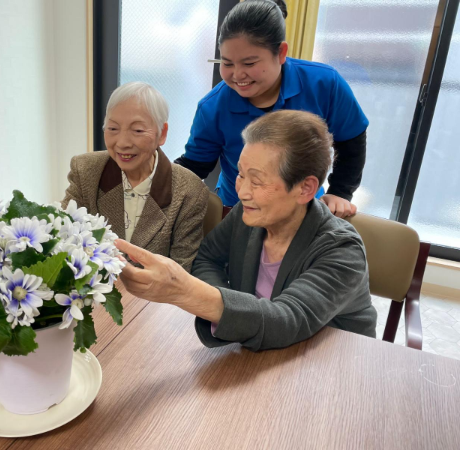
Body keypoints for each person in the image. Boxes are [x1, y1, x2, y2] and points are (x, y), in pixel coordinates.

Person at [117, 110, 377, 352]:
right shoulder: (248, 213)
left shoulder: (342, 250)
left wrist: (185, 291)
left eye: (257, 180)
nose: (242, 192)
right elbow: (208, 257)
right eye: (241, 175)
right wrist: (234, 311)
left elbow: (288, 320)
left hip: (330, 368)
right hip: (257, 353)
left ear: (306, 189)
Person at [175, 0, 368, 218]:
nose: (237, 75)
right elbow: (193, 167)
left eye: (249, 64)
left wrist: (340, 192)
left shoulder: (325, 84)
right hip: (239, 211)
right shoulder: (213, 106)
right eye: (227, 63)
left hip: (303, 211)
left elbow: (352, 142)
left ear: (281, 52)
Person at [62, 82, 209, 271]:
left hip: (154, 298)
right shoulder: (85, 170)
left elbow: (179, 273)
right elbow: (63, 236)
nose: (122, 143)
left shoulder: (190, 191)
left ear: (162, 133)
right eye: (113, 129)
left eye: (138, 130)